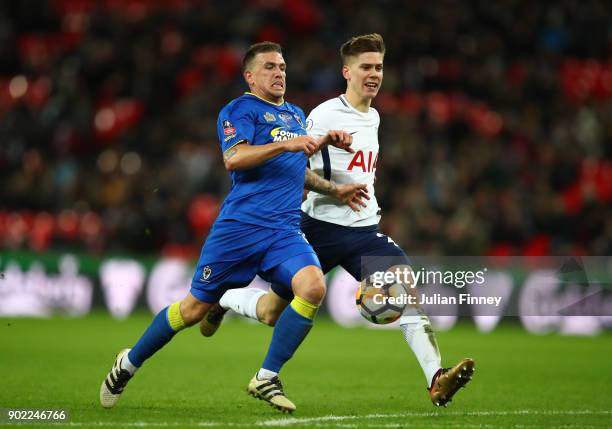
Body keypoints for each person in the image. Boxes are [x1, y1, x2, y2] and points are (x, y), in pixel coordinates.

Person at [201, 34, 475, 407]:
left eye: (378, 67)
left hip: (364, 232)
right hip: (317, 230)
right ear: (347, 72)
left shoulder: (373, 116)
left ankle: (436, 379)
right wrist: (327, 190)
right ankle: (225, 299)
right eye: (365, 67)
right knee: (269, 312)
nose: (374, 74)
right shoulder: (323, 115)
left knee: (406, 294)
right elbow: (291, 163)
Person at [99, 41, 359, 413]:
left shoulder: (295, 114)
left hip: (284, 230)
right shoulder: (239, 110)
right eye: (269, 67)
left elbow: (296, 171)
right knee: (190, 311)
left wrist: (334, 187)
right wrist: (284, 147)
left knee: (313, 286)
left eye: (282, 66)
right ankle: (128, 363)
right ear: (250, 76)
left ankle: (266, 376)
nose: (279, 73)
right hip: (240, 230)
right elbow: (234, 158)